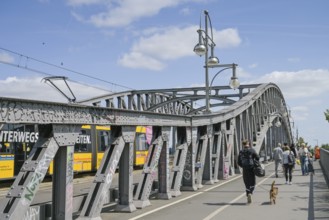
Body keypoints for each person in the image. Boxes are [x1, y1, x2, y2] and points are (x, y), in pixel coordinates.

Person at [238, 139, 260, 204]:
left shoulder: (241, 151)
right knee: (252, 182)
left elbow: (239, 162)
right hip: (251, 167)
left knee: (246, 182)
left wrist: (243, 166)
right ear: (248, 144)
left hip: (245, 168)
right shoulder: (252, 150)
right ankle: (250, 192)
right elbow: (258, 157)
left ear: (243, 144)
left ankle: (248, 193)